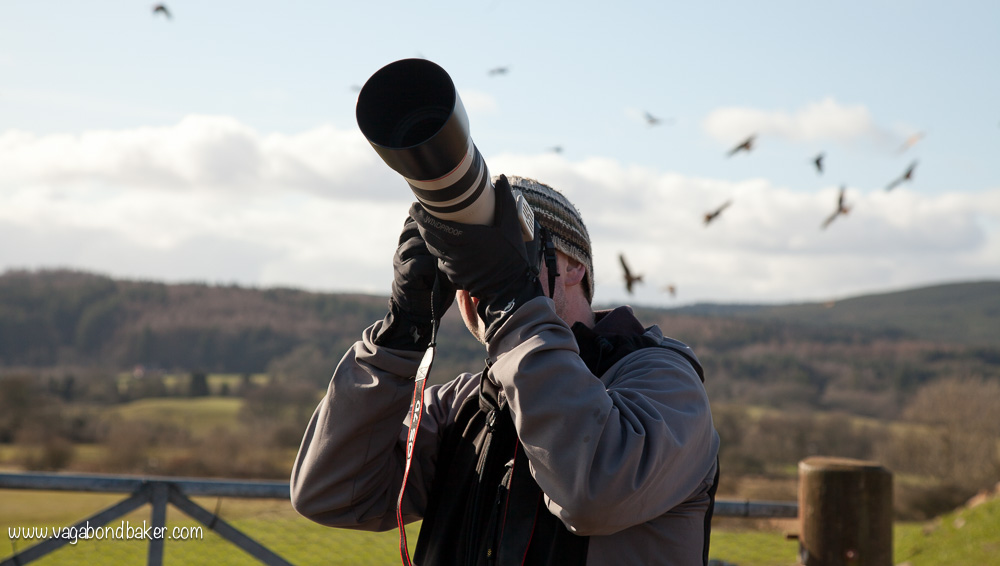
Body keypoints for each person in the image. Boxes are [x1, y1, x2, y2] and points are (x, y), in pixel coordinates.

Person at [290, 174, 720, 565]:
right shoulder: (463, 405)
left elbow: (592, 492)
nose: (480, 283)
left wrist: (517, 305)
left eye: (510, 259)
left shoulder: (665, 382)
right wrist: (402, 332)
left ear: (574, 268)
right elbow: (332, 493)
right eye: (466, 267)